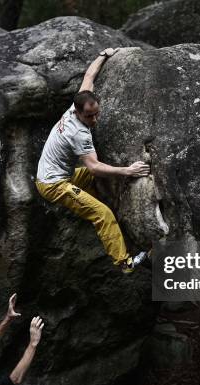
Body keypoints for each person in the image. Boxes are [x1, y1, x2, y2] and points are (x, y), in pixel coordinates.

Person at [35, 47, 150, 274]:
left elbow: (89, 76)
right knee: (102, 214)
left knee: (99, 178)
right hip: (54, 185)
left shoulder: (76, 105)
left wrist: (104, 55)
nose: (94, 119)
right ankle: (124, 263)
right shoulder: (78, 133)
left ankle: (110, 215)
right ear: (78, 113)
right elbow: (95, 167)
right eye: (89, 116)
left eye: (97, 113)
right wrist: (128, 171)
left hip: (61, 175)